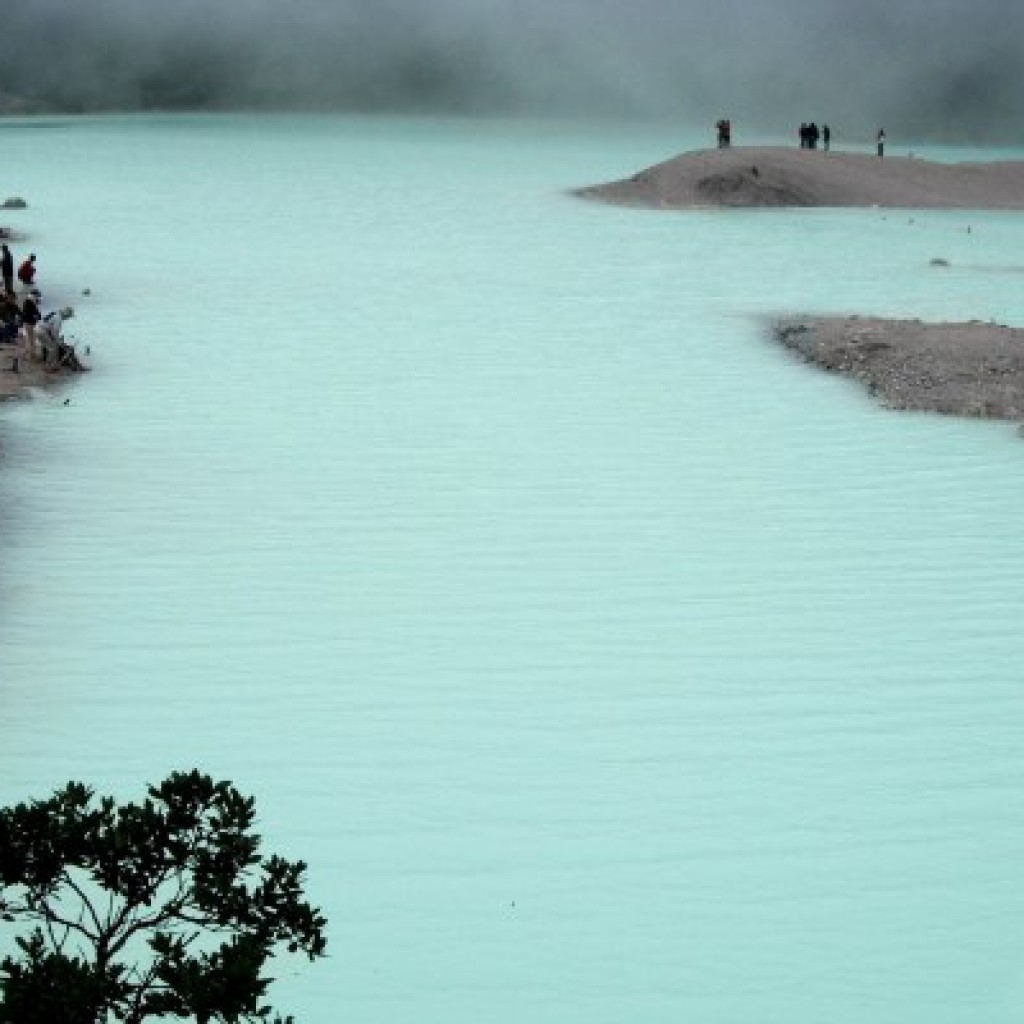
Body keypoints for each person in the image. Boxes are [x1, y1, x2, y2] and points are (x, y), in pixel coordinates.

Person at [20, 291, 41, 358]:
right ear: (34, 295)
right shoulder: (29, 302)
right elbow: (33, 313)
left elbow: (36, 313)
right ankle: (31, 354)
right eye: (37, 296)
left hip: (29, 323)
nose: (38, 297)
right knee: (31, 339)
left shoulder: (28, 302)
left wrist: (37, 316)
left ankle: (30, 354)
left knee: (30, 339)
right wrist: (36, 316)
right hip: (29, 323)